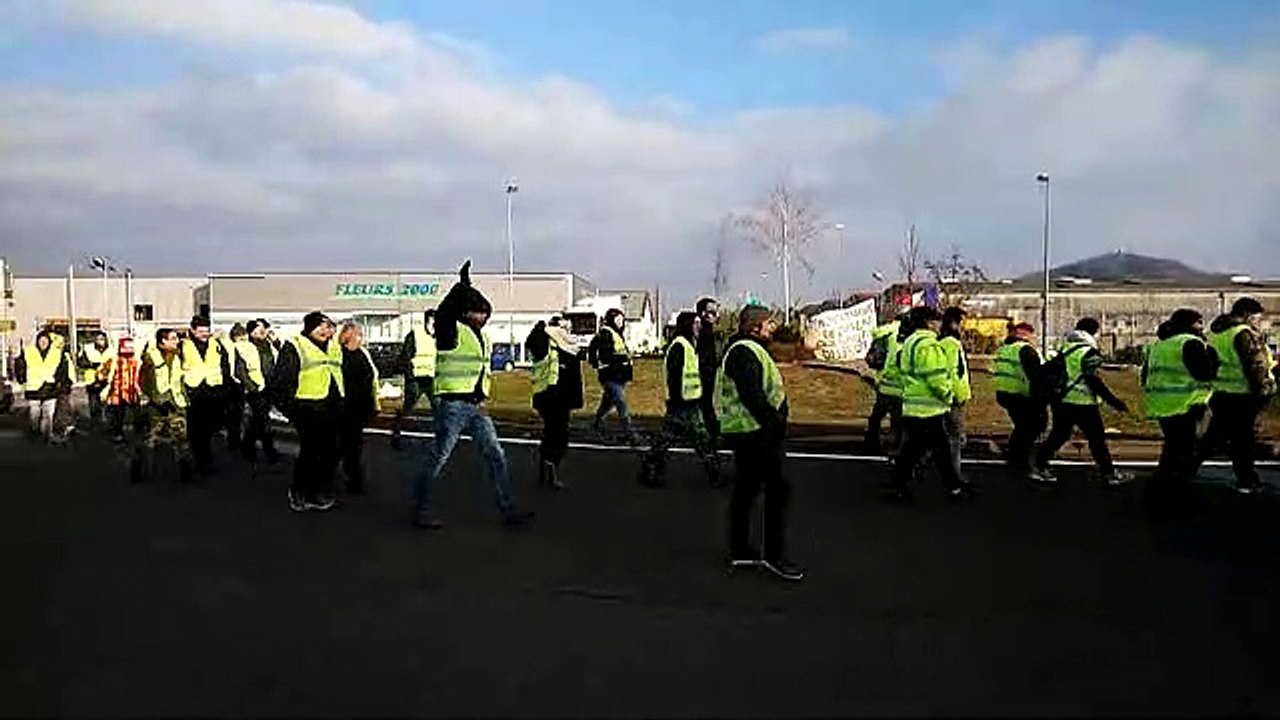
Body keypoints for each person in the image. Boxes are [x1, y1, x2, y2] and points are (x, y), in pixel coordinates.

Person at [411, 261, 533, 530]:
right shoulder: (450, 330)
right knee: (439, 458)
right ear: (466, 312)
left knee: (496, 455)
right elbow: (445, 311)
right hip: (452, 405)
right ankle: (422, 509)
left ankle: (508, 509)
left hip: (476, 406)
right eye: (479, 312)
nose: (484, 317)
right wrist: (462, 284)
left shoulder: (480, 336)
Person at [719, 305, 803, 581]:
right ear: (755, 326)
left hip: (751, 433)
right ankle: (774, 556)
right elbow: (752, 395)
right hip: (755, 434)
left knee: (747, 491)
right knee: (776, 491)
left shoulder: (747, 350)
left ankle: (741, 549)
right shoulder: (744, 352)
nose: (772, 328)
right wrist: (774, 422)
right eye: (769, 323)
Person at [887, 306, 980, 503]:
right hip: (929, 408)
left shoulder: (910, 342)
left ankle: (901, 485)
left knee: (916, 450)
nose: (940, 326)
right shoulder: (928, 345)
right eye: (937, 321)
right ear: (929, 323)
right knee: (939, 450)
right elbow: (936, 376)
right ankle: (952, 488)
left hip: (913, 405)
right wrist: (947, 395)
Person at [1032, 318, 1133, 487]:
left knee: (1059, 435)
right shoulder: (1089, 352)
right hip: (1083, 402)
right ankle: (1109, 473)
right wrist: (1114, 402)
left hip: (1062, 400)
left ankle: (1039, 465)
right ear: (1093, 332)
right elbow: (1093, 380)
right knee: (1096, 439)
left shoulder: (1065, 348)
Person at [1142, 309, 1219, 513]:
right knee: (1183, 453)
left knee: (1173, 451)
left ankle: (1161, 492)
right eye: (1200, 322)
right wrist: (1212, 357)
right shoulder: (1190, 343)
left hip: (1162, 404)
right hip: (1187, 404)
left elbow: (1145, 376)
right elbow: (1204, 374)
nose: (1203, 327)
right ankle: (1175, 497)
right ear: (1193, 323)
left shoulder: (1159, 345)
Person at [1197, 297, 1276, 494]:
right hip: (1243, 395)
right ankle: (1247, 480)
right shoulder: (1244, 334)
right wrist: (1263, 390)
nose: (1259, 322)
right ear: (1248, 315)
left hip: (1221, 393)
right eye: (1257, 318)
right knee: (1243, 441)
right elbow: (1255, 366)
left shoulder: (1217, 334)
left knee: (1214, 438)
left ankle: (1183, 469)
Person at [639, 311, 721, 489]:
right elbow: (674, 376)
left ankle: (651, 467)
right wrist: (677, 399)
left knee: (682, 439)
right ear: (687, 325)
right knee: (691, 439)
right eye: (696, 324)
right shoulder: (680, 346)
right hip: (681, 403)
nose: (699, 327)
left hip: (690, 402)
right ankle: (651, 468)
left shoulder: (689, 345)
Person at [272, 311, 343, 512]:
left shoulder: (334, 347)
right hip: (306, 406)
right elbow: (282, 381)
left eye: (328, 326)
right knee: (311, 451)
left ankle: (319, 491)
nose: (324, 330)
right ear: (309, 327)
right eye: (319, 326)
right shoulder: (295, 345)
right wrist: (290, 410)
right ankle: (299, 491)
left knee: (331, 451)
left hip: (331, 406)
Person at [527, 317, 585, 490]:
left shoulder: (569, 346)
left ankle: (548, 468)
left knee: (555, 434)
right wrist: (542, 327)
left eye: (568, 327)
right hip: (549, 395)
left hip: (564, 398)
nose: (566, 330)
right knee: (556, 434)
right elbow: (533, 342)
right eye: (562, 327)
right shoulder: (546, 342)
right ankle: (549, 469)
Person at [137, 328, 193, 483]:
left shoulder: (178, 356)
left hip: (176, 403)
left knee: (181, 439)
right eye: (173, 338)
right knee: (150, 439)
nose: (177, 341)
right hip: (157, 405)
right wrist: (156, 399)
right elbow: (144, 382)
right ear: (163, 341)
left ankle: (185, 470)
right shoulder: (151, 358)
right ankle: (142, 469)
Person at [180, 316, 232, 475]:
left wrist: (225, 389)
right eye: (201, 330)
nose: (204, 334)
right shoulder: (183, 346)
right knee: (196, 430)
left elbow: (225, 367)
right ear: (193, 330)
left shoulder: (216, 345)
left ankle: (204, 456)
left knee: (210, 429)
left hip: (213, 392)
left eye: (207, 330)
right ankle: (201, 460)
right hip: (194, 392)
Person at [994, 322, 1046, 479]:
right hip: (1021, 395)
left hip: (1004, 394)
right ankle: (1022, 462)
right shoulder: (1025, 350)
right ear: (1026, 334)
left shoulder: (1005, 349)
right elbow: (1036, 376)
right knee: (1031, 427)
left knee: (1022, 427)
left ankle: (1014, 453)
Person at [339, 322, 380, 496]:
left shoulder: (363, 353)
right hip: (346, 407)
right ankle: (353, 481)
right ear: (349, 336)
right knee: (348, 446)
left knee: (353, 446)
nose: (361, 338)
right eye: (358, 334)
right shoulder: (340, 355)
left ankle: (353, 479)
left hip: (361, 405)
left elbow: (372, 377)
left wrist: (374, 403)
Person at [392, 309, 438, 450]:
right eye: (432, 322)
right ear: (426, 321)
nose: (435, 325)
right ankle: (397, 434)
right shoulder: (415, 335)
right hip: (416, 379)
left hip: (432, 379)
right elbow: (405, 357)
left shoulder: (440, 336)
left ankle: (442, 440)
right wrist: (410, 376)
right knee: (408, 408)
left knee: (440, 409)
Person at [15, 330, 73, 443]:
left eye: (45, 340)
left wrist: (60, 382)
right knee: (34, 413)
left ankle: (46, 435)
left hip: (51, 387)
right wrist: (22, 379)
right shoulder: (28, 352)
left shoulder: (57, 353)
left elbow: (63, 369)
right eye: (41, 340)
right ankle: (35, 431)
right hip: (33, 388)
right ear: (37, 341)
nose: (43, 343)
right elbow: (19, 365)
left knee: (48, 414)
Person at [865, 308, 908, 455]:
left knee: (876, 417)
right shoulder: (905, 334)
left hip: (884, 382)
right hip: (899, 384)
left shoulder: (883, 333)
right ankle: (895, 449)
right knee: (897, 421)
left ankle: (871, 443)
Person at [590, 308, 637, 441]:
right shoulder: (606, 333)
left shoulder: (616, 334)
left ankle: (596, 424)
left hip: (618, 375)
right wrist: (621, 360)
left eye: (622, 319)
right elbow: (606, 356)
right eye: (618, 319)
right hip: (611, 376)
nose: (621, 322)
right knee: (621, 403)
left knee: (607, 403)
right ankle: (629, 432)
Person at [237, 319, 279, 463]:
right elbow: (240, 370)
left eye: (263, 329)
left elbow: (280, 357)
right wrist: (251, 386)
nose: (262, 332)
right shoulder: (244, 347)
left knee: (259, 420)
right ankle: (267, 451)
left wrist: (276, 341)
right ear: (251, 332)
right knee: (262, 420)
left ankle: (249, 447)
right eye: (258, 330)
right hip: (256, 390)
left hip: (269, 388)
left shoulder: (270, 345)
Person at [937, 307, 971, 482]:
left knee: (948, 436)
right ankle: (954, 475)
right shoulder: (951, 343)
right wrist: (956, 395)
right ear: (954, 323)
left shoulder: (943, 342)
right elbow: (952, 371)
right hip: (953, 398)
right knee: (955, 438)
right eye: (961, 323)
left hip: (950, 396)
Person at [100, 336, 144, 445]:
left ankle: (133, 434)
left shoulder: (136, 361)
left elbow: (141, 376)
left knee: (135, 415)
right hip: (117, 392)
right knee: (118, 415)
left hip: (132, 392)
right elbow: (103, 374)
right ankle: (118, 434)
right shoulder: (114, 361)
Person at [695, 297, 722, 447]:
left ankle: (709, 430)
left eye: (715, 311)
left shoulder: (711, 332)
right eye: (711, 311)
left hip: (709, 371)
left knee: (705, 403)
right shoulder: (700, 330)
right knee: (703, 403)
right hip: (701, 372)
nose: (715, 314)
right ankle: (711, 432)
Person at [221, 323, 248, 452]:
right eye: (242, 338)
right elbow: (238, 369)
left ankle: (235, 440)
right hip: (234, 386)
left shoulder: (231, 348)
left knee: (236, 416)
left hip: (235, 385)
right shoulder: (234, 349)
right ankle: (235, 441)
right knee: (235, 416)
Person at [77, 331, 113, 425]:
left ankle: (106, 421)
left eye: (102, 339)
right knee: (93, 404)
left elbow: (114, 364)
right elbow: (80, 362)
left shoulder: (111, 350)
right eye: (97, 339)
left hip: (106, 380)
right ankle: (95, 423)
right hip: (92, 380)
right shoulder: (88, 349)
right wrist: (92, 364)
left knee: (106, 403)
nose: (100, 341)